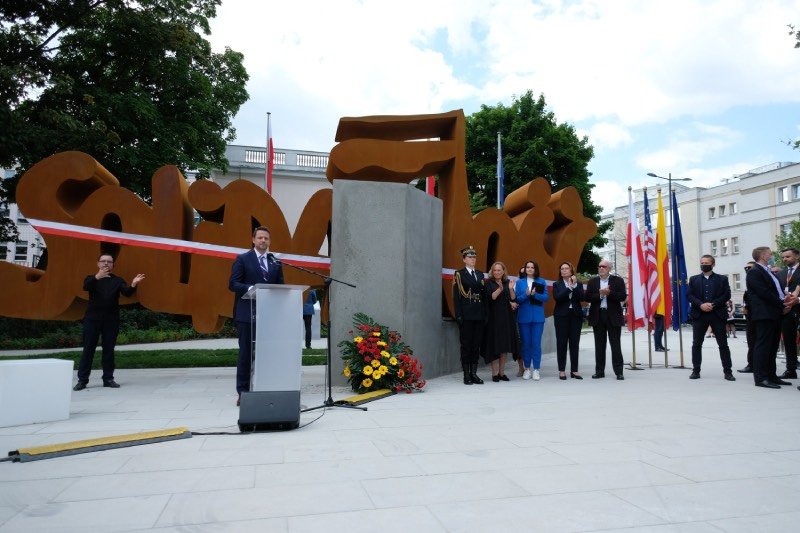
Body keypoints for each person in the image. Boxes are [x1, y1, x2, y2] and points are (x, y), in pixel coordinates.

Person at [229, 226, 284, 405]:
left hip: (268, 315)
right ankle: (243, 392)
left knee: (267, 353)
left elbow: (280, 286)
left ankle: (266, 387)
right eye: (260, 238)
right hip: (247, 314)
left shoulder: (275, 261)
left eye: (266, 238)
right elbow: (233, 284)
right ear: (253, 240)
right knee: (246, 354)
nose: (263, 241)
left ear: (269, 241)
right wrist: (250, 288)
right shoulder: (243, 259)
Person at [73, 254, 145, 391]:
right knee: (88, 349)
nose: (106, 263)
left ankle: (108, 379)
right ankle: (82, 380)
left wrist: (134, 284)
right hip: (92, 319)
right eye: (103, 261)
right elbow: (86, 286)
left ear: (113, 265)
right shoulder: (91, 279)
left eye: (109, 262)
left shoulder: (117, 280)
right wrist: (97, 277)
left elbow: (127, 292)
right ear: (98, 264)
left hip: (111, 320)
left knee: (108, 350)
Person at [746, 246, 796, 389]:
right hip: (764, 313)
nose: (772, 256)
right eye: (770, 254)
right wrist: (781, 304)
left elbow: (777, 290)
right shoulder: (755, 272)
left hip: (774, 313)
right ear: (762, 256)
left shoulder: (768, 271)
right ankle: (761, 378)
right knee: (763, 345)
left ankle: (771, 375)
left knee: (772, 346)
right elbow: (764, 292)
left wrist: (784, 300)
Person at [687, 255, 734, 381]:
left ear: (713, 264)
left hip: (717, 314)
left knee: (723, 344)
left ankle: (728, 371)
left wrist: (713, 304)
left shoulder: (722, 279)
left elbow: (727, 294)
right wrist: (700, 304)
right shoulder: (694, 279)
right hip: (699, 314)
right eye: (702, 262)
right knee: (696, 344)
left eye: (706, 263)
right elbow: (689, 295)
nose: (703, 264)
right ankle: (696, 370)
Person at [585, 260, 626, 380]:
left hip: (613, 316)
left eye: (604, 266)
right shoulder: (593, 281)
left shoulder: (618, 280)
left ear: (609, 268)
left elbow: (622, 296)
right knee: (599, 345)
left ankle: (619, 372)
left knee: (615, 345)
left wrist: (609, 293)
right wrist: (600, 295)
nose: (601, 268)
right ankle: (599, 371)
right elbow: (587, 297)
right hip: (598, 316)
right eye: (599, 266)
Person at [453, 245, 487, 385]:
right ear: (464, 259)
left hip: (478, 314)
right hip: (466, 314)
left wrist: (484, 314)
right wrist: (459, 315)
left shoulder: (480, 274)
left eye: (474, 257)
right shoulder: (459, 274)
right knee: (466, 345)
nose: (473, 259)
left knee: (476, 345)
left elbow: (483, 296)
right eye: (470, 257)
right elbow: (457, 296)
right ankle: (466, 375)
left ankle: (474, 373)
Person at [483, 261, 519, 381]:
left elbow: (513, 298)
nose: (497, 272)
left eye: (499, 270)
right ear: (492, 272)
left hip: (506, 318)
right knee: (494, 346)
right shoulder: (489, 283)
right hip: (493, 319)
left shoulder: (507, 282)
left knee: (504, 346)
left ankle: (501, 373)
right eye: (495, 270)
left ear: (503, 271)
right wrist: (500, 289)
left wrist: (510, 289)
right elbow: (492, 297)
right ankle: (494, 374)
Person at [514, 260, 549, 380]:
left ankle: (537, 369)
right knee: (526, 344)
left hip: (538, 317)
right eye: (527, 267)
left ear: (535, 269)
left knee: (536, 344)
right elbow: (517, 299)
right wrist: (526, 294)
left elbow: (546, 297)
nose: (529, 269)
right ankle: (527, 369)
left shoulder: (541, 281)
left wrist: (535, 295)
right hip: (524, 317)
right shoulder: (519, 283)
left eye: (532, 267)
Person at [552, 261, 585, 380]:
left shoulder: (579, 284)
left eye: (566, 268)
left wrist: (575, 286)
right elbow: (558, 297)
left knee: (574, 343)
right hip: (561, 316)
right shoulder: (557, 284)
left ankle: (574, 370)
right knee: (561, 343)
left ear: (571, 271)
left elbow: (582, 297)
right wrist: (569, 287)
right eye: (562, 269)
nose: (564, 270)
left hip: (575, 315)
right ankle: (562, 370)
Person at [777, 247, 800, 379]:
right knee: (789, 341)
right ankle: (790, 370)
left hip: (798, 308)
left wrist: (797, 300)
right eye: (783, 257)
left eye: (788, 256)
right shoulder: (781, 273)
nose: (785, 259)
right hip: (787, 312)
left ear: (797, 256)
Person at [738, 261, 757, 373]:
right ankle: (751, 364)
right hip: (750, 317)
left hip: (759, 316)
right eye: (746, 267)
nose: (747, 269)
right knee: (751, 342)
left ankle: (759, 365)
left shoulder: (759, 281)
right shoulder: (748, 284)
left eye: (749, 267)